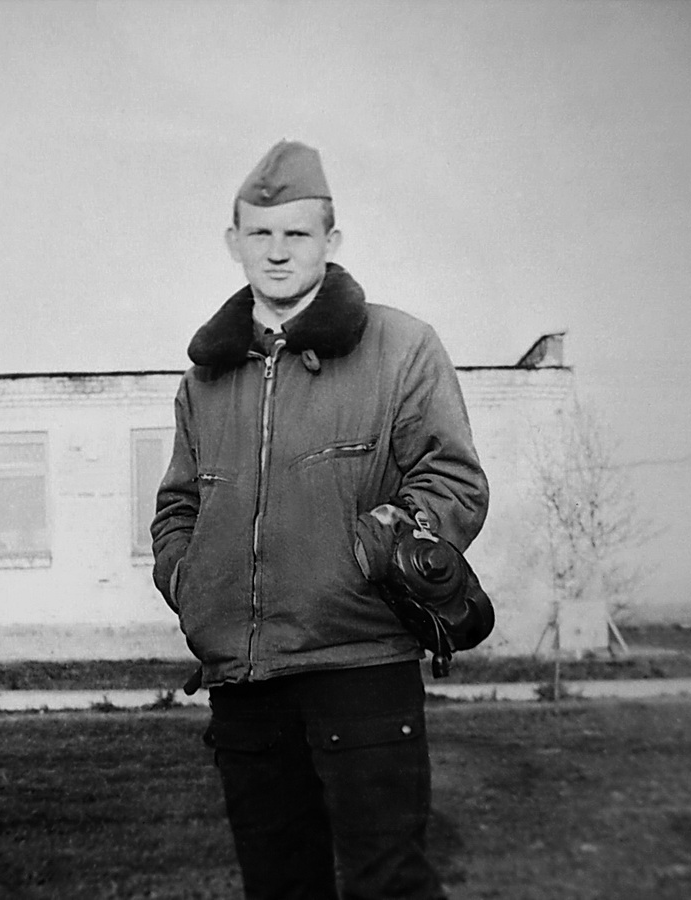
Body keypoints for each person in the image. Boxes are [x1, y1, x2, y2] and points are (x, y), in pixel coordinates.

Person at [150, 140, 489, 900]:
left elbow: (453, 480)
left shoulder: (401, 347)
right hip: (244, 681)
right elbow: (178, 507)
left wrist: (367, 557)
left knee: (389, 885)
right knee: (278, 887)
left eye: (297, 233)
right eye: (260, 233)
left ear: (331, 240)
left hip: (360, 668)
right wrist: (188, 579)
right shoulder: (205, 378)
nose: (277, 252)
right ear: (233, 241)